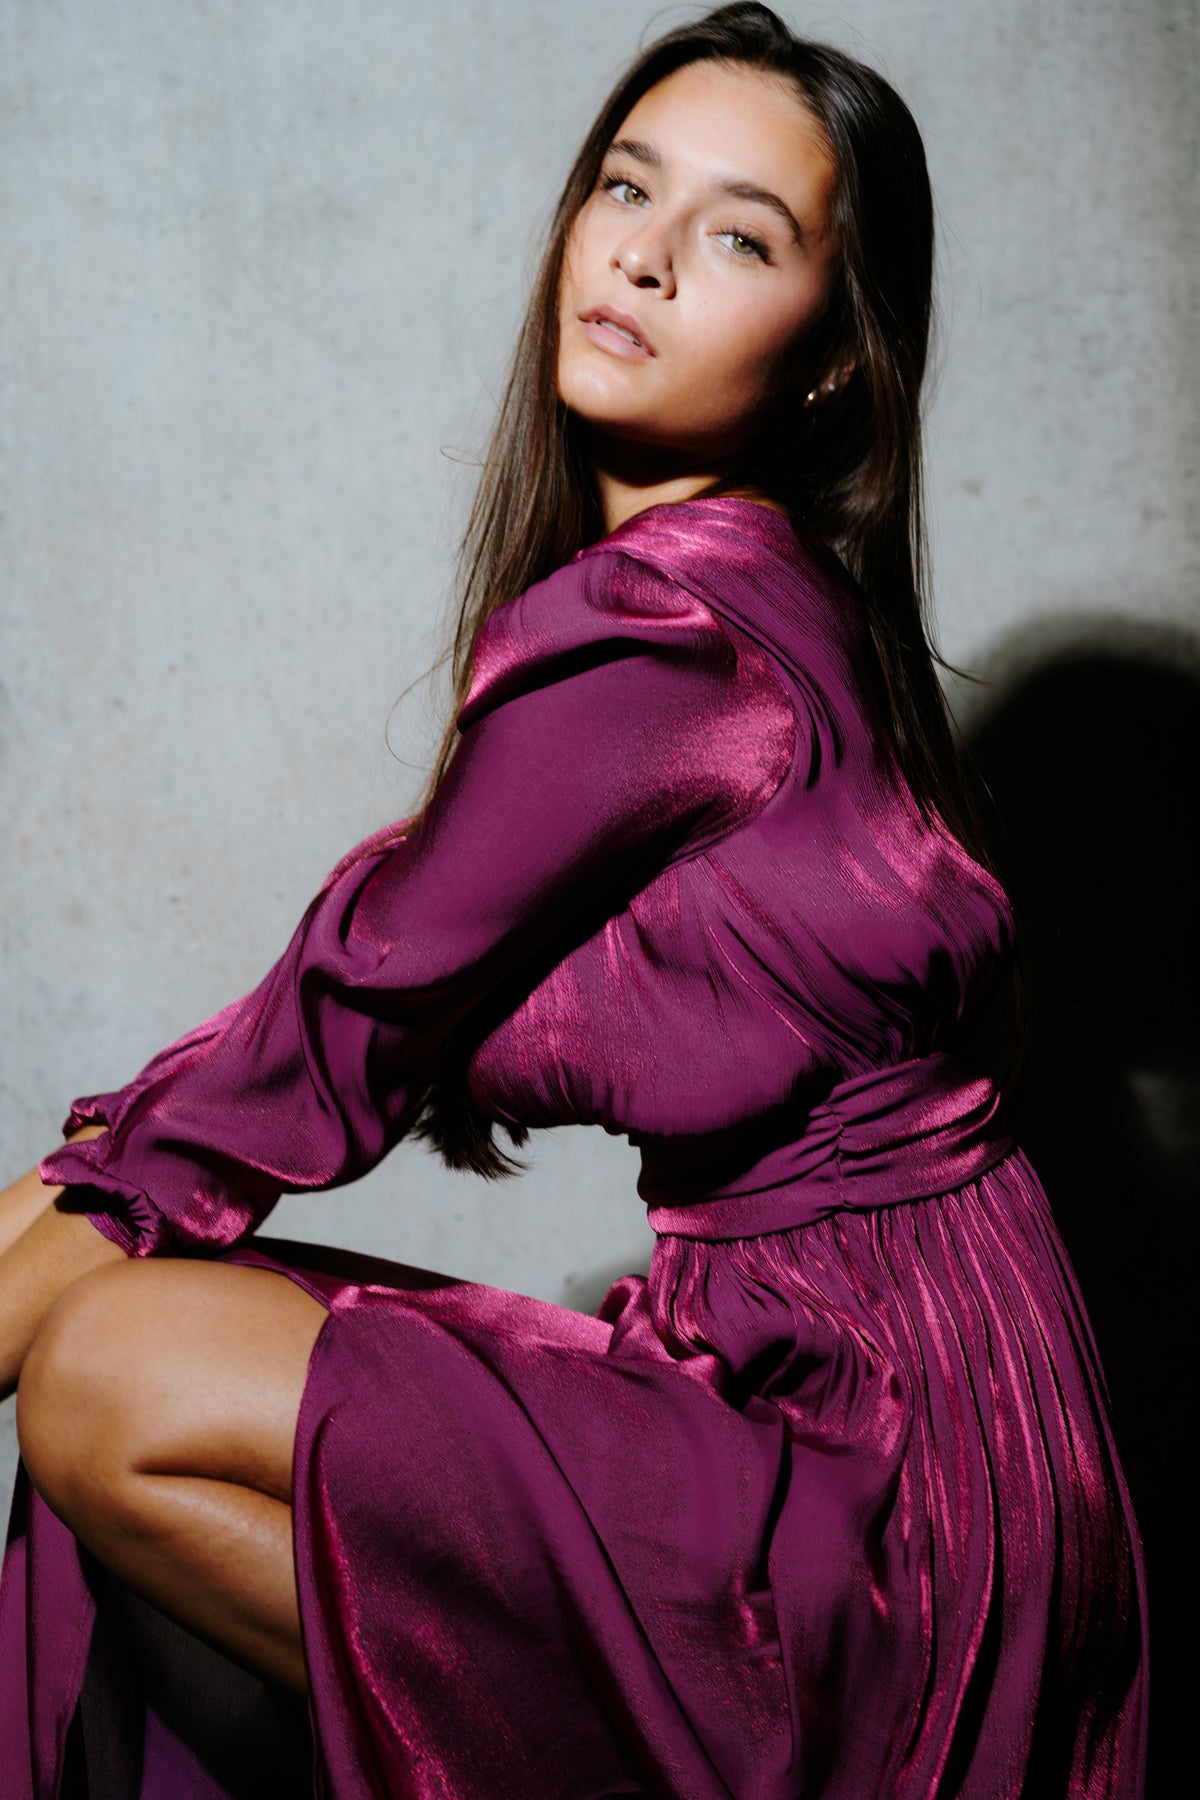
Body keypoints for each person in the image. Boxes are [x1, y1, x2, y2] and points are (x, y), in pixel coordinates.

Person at [0, 4, 1147, 1795]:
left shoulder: (671, 632)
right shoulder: (762, 598)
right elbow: (312, 1033)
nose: (646, 254)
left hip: (875, 1469)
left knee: (108, 1369)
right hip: (946, 1406)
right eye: (627, 187)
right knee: (136, 1331)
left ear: (832, 362)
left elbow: (322, 1046)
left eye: (741, 237)